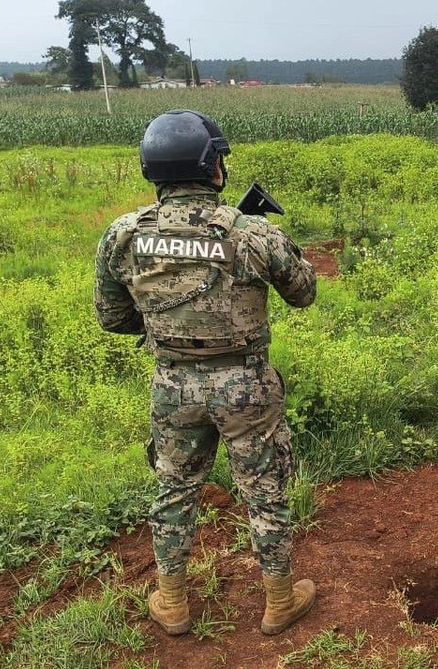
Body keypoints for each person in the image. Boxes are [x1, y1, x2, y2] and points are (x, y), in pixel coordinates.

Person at [94, 109, 317, 637]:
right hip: (246, 386)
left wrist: (168, 324)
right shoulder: (251, 232)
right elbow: (304, 293)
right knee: (265, 489)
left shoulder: (123, 236)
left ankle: (171, 602)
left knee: (175, 487)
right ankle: (279, 601)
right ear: (211, 166)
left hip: (173, 385)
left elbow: (113, 318)